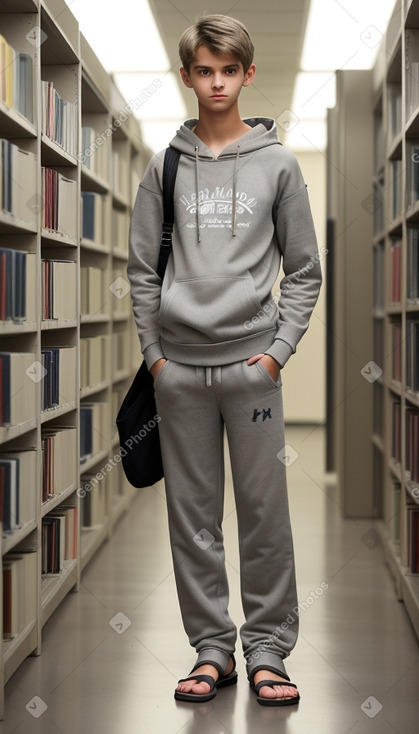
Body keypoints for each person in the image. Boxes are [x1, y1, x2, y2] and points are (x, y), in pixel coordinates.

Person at [127, 14, 322, 707]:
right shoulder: (164, 163)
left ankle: (267, 649)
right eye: (203, 71)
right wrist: (155, 358)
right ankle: (212, 649)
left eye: (228, 70)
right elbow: (143, 271)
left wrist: (274, 356)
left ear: (246, 74)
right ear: (187, 76)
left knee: (264, 514)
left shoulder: (276, 163)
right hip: (177, 372)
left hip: (251, 371)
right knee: (193, 516)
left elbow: (303, 270)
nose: (215, 83)